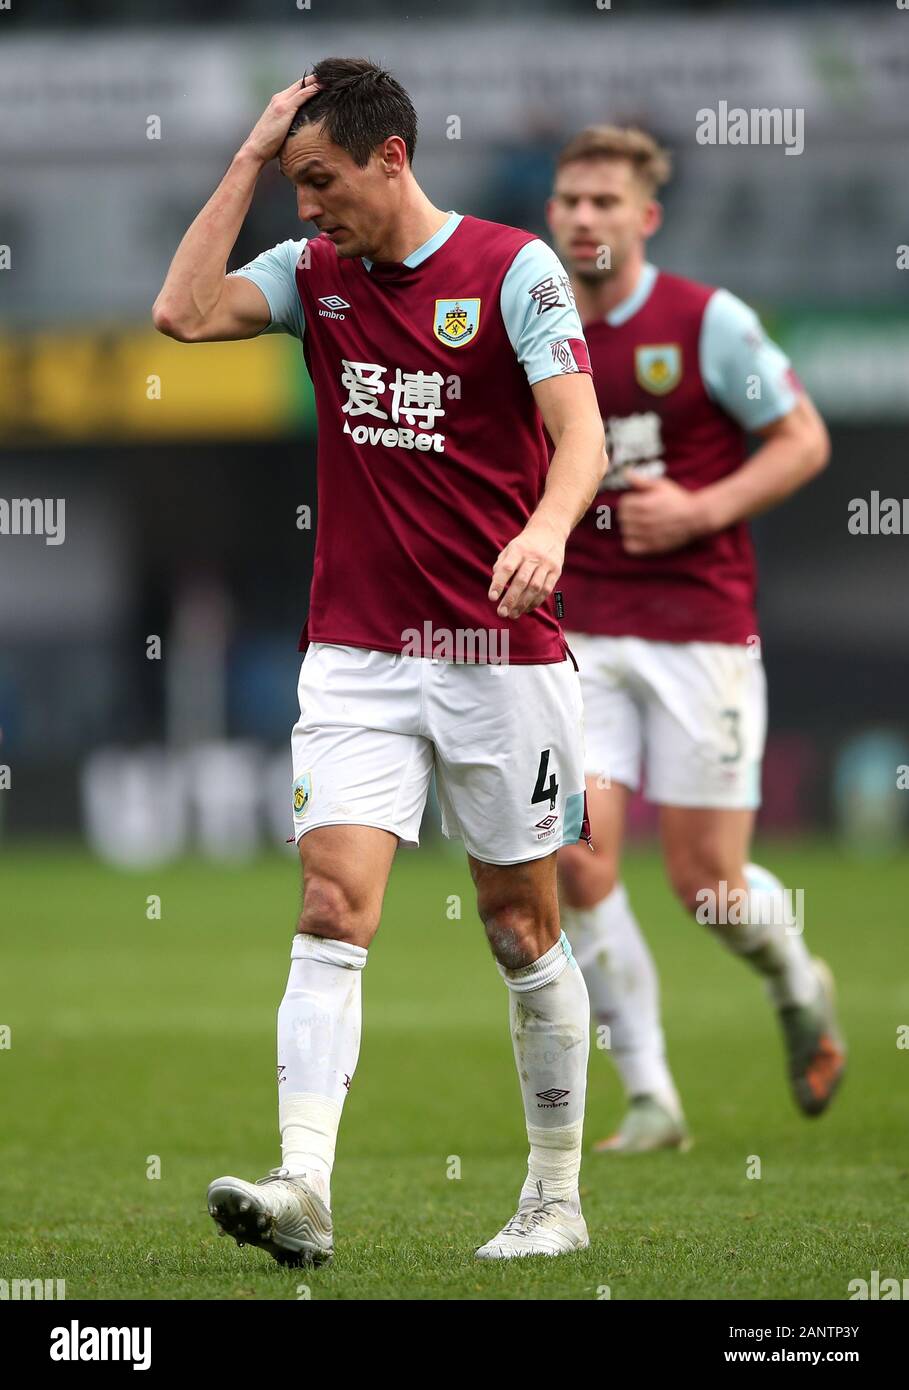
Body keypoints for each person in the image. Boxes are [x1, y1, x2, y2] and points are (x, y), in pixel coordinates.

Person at [153, 59, 607, 1263]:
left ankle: (554, 1199)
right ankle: (304, 1186)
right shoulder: (312, 275)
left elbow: (582, 437)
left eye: (320, 181)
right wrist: (250, 156)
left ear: (391, 157)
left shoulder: (514, 270)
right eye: (291, 185)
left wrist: (548, 529)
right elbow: (181, 315)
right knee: (328, 904)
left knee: (517, 923)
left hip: (501, 655)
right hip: (356, 653)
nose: (306, 209)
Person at [547, 125, 845, 1154]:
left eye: (604, 202)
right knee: (577, 860)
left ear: (645, 218)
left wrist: (700, 509)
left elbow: (803, 438)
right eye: (570, 200)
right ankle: (651, 1096)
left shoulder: (706, 323)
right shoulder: (534, 325)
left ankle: (798, 978)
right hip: (577, 632)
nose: (585, 217)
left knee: (708, 885)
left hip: (699, 632)